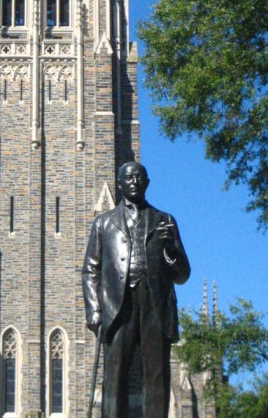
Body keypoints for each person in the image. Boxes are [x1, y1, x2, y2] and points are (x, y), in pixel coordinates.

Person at [82, 161, 190, 418]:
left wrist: (170, 249)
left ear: (147, 183)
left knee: (157, 375)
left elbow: (183, 275)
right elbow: (90, 270)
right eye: (129, 178)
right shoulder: (103, 223)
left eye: (140, 178)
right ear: (119, 184)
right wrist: (94, 311)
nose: (134, 182)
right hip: (117, 307)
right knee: (115, 376)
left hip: (155, 305)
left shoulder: (165, 221)